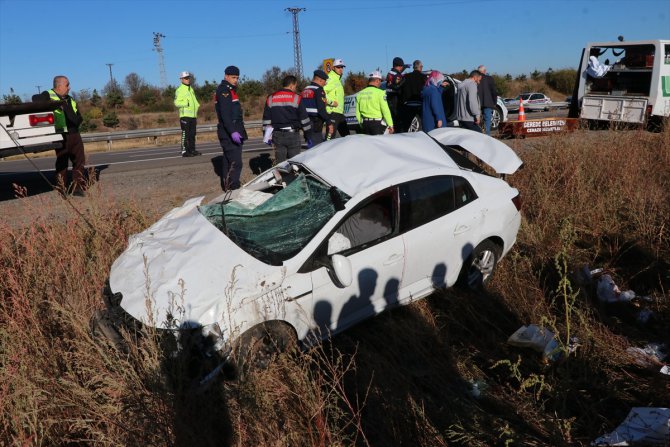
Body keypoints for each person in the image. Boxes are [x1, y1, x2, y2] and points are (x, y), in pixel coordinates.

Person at [36, 75, 86, 195]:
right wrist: (56, 104)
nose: (69, 87)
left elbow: (78, 115)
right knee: (62, 162)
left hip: (74, 133)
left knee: (79, 161)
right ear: (59, 86)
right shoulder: (48, 95)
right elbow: (36, 100)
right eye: (67, 84)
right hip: (61, 134)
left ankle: (77, 187)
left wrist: (77, 120)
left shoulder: (70, 99)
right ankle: (62, 188)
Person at [262, 75, 313, 163]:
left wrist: (266, 135)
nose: (295, 89)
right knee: (295, 163)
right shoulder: (296, 98)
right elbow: (304, 119)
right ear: (292, 85)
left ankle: (282, 176)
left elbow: (266, 120)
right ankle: (293, 176)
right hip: (293, 135)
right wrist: (308, 136)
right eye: (295, 86)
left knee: (280, 164)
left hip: (277, 135)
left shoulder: (271, 98)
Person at [215, 65, 247, 191]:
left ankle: (228, 186)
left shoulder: (230, 90)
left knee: (229, 161)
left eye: (237, 78)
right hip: (228, 131)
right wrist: (232, 131)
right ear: (226, 76)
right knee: (235, 162)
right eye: (233, 77)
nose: (236, 80)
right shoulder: (224, 90)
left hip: (232, 130)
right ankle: (233, 188)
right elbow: (225, 114)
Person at [355, 70, 394, 135]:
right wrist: (390, 125)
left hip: (365, 124)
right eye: (380, 81)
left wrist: (361, 124)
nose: (380, 83)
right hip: (377, 124)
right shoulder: (380, 93)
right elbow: (385, 110)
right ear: (377, 80)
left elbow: (357, 112)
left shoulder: (360, 94)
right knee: (377, 144)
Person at [301, 70, 333, 145]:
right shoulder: (318, 90)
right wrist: (329, 122)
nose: (325, 83)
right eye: (324, 81)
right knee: (317, 149)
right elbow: (321, 109)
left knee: (310, 146)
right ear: (320, 80)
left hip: (306, 124)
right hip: (315, 124)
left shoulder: (305, 89)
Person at [174, 71, 201, 157]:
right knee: (185, 134)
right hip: (185, 116)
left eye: (188, 78)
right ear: (181, 79)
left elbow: (194, 101)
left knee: (192, 134)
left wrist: (197, 105)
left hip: (193, 116)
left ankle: (192, 150)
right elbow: (176, 102)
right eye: (186, 78)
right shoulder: (179, 90)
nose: (188, 79)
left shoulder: (191, 89)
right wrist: (186, 103)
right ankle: (184, 151)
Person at [324, 58, 349, 140]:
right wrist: (331, 102)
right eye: (338, 67)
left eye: (342, 67)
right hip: (332, 113)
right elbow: (322, 93)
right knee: (329, 139)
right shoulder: (330, 78)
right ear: (333, 68)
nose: (340, 69)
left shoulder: (338, 79)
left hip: (340, 113)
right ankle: (325, 152)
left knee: (347, 138)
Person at [399, 59, 427, 132]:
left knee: (405, 127)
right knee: (421, 128)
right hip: (419, 104)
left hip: (408, 104)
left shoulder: (406, 76)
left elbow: (401, 90)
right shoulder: (424, 77)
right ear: (420, 67)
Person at [385, 57, 406, 131]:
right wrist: (404, 80)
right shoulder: (397, 75)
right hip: (395, 99)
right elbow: (397, 87)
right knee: (398, 121)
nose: (401, 68)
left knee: (391, 120)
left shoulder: (389, 73)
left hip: (388, 97)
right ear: (399, 66)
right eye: (401, 66)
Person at [477, 65, 498, 136]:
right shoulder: (490, 79)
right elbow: (494, 92)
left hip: (477, 103)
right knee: (487, 121)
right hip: (488, 102)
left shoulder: (475, 79)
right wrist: (494, 102)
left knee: (477, 120)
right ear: (485, 71)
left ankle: (479, 135)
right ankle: (487, 136)